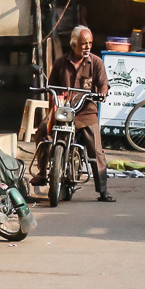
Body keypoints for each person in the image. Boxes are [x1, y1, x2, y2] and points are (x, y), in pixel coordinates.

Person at [39, 26, 115, 202]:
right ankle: (42, 173)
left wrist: (102, 92)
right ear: (73, 44)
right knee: (42, 132)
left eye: (89, 43)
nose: (87, 47)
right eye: (83, 44)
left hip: (86, 112)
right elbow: (51, 86)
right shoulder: (60, 63)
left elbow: (104, 83)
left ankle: (103, 191)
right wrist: (54, 99)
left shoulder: (96, 62)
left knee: (96, 151)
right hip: (64, 111)